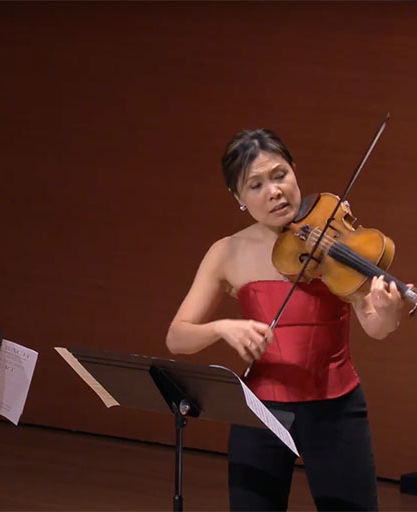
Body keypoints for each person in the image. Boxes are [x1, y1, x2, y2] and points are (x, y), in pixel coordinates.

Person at [165, 129, 407, 511]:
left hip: (337, 407)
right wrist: (222, 328)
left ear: (294, 170)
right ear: (238, 198)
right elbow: (177, 338)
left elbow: (376, 327)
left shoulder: (334, 240)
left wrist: (390, 312)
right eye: (256, 185)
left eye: (280, 175)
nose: (274, 191)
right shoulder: (226, 252)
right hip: (260, 411)